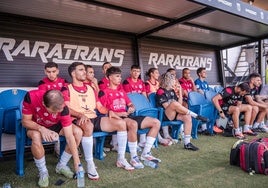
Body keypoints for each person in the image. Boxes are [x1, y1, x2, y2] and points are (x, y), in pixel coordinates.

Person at [63, 62, 134, 173]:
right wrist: (80, 114)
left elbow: (100, 108)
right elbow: (66, 109)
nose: (84, 72)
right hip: (77, 118)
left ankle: (121, 159)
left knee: (121, 124)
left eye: (84, 70)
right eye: (81, 70)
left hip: (93, 117)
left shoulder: (91, 88)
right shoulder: (66, 88)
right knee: (88, 126)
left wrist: (110, 111)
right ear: (73, 73)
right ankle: (90, 164)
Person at [99, 66, 161, 169]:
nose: (120, 78)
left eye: (120, 76)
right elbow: (102, 111)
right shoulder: (104, 92)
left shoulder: (122, 91)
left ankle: (145, 153)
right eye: (117, 76)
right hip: (116, 119)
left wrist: (131, 108)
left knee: (156, 122)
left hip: (128, 116)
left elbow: (130, 104)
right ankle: (134, 157)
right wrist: (117, 114)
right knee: (133, 124)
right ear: (109, 77)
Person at [21, 89, 82, 187]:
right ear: (44, 104)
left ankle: (61, 165)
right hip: (36, 125)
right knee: (36, 136)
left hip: (55, 126)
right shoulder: (31, 97)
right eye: (54, 111)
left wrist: (76, 162)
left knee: (77, 132)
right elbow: (25, 122)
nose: (56, 114)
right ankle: (43, 172)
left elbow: (69, 137)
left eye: (59, 111)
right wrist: (41, 128)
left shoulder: (63, 108)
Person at [156, 72, 208, 151]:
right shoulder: (160, 91)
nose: (175, 82)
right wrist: (176, 106)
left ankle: (187, 143)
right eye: (173, 80)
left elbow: (179, 104)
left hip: (174, 114)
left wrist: (180, 92)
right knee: (173, 104)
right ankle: (196, 116)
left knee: (187, 117)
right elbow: (167, 107)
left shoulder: (172, 91)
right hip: (165, 115)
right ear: (168, 80)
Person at [37, 61, 69, 157]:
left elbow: (65, 97)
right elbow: (45, 100)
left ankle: (69, 147)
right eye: (48, 72)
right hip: (50, 110)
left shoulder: (64, 82)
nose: (51, 74)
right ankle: (57, 146)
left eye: (53, 71)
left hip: (62, 109)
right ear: (45, 72)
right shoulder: (42, 82)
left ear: (57, 71)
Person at [145, 68, 173, 146]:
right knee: (157, 117)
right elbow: (146, 97)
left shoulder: (158, 83)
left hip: (160, 104)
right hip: (152, 106)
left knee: (165, 112)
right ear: (151, 74)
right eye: (156, 73)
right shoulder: (147, 83)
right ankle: (159, 138)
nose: (158, 74)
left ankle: (166, 135)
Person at [122, 65, 148, 148]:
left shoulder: (141, 82)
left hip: (141, 105)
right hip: (131, 106)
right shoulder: (126, 82)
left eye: (138, 71)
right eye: (134, 71)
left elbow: (144, 95)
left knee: (146, 113)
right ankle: (134, 141)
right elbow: (128, 97)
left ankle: (143, 140)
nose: (136, 73)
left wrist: (147, 105)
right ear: (130, 72)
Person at [194, 67, 211, 134]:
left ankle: (213, 126)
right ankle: (203, 128)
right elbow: (199, 91)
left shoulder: (205, 82)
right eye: (204, 72)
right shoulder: (197, 81)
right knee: (204, 109)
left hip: (206, 100)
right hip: (200, 100)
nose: (205, 73)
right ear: (199, 74)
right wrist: (207, 97)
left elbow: (209, 91)